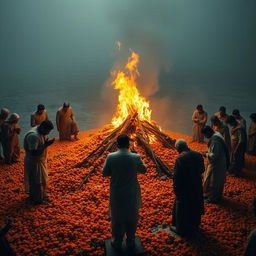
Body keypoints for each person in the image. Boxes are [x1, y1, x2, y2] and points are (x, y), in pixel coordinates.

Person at [102, 134, 147, 250]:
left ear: (117, 144)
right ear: (129, 144)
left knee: (117, 217)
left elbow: (105, 173)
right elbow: (144, 170)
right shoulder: (135, 157)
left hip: (117, 192)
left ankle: (117, 241)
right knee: (132, 216)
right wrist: (139, 157)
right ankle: (130, 241)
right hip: (131, 192)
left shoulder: (111, 157)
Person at [171, 139, 205, 237]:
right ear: (187, 145)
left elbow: (177, 177)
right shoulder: (198, 155)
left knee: (182, 207)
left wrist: (176, 189)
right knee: (195, 203)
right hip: (196, 185)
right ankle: (195, 224)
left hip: (185, 187)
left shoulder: (180, 159)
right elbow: (202, 169)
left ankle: (181, 229)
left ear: (178, 149)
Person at [24, 120, 55, 205]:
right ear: (42, 127)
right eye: (47, 131)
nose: (47, 133)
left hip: (39, 161)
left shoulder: (40, 131)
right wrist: (46, 145)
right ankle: (38, 200)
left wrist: (45, 143)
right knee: (38, 181)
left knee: (39, 179)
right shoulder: (34, 136)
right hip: (34, 162)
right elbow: (33, 153)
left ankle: (37, 196)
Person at [201, 126, 229, 203]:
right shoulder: (217, 133)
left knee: (213, 181)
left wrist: (206, 154)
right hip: (220, 161)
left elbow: (214, 155)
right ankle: (211, 195)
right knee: (215, 180)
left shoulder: (215, 141)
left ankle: (213, 198)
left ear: (208, 132)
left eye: (205, 135)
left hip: (217, 164)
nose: (205, 137)